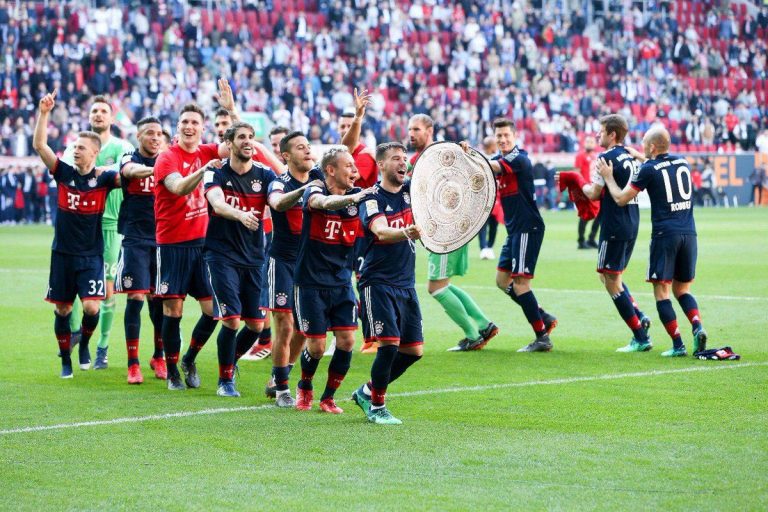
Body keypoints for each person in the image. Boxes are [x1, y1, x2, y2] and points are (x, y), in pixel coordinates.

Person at [597, 125, 709, 357]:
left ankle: (678, 344)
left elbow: (620, 198)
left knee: (662, 292)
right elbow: (658, 163)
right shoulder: (683, 162)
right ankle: (697, 326)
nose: (642, 147)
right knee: (682, 289)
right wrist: (639, 155)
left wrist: (608, 177)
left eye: (645, 144)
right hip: (690, 234)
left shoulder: (648, 169)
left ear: (651, 146)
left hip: (665, 235)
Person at [33, 89, 121, 378]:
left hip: (91, 254)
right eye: (74, 146)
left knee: (93, 307)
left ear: (94, 153)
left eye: (80, 147)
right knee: (61, 309)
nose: (75, 149)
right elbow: (40, 145)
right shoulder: (63, 172)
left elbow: (128, 175)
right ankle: (65, 360)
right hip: (62, 253)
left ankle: (84, 344)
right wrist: (44, 112)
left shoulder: (105, 177)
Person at [293, 147, 375, 412]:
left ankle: (328, 397)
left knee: (347, 341)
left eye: (354, 166)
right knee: (316, 347)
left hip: (341, 282)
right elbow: (323, 204)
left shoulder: (357, 197)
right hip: (310, 283)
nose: (355, 171)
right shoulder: (314, 192)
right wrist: (358, 197)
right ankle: (305, 386)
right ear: (330, 170)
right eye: (349, 166)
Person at [153, 103, 227, 390]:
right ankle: (172, 371)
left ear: (202, 127)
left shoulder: (208, 151)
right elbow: (178, 187)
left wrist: (231, 111)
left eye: (195, 122)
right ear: (178, 126)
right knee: (173, 310)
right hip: (172, 245)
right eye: (184, 121)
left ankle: (189, 358)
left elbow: (237, 144)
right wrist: (204, 170)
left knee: (213, 310)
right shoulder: (167, 157)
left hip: (202, 246)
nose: (189, 126)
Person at [202, 121, 277, 397]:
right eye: (241, 137)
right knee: (231, 320)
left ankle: (228, 363)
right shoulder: (216, 172)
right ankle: (225, 381)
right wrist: (241, 215)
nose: (247, 141)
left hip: (255, 257)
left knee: (256, 325)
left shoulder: (265, 175)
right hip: (221, 255)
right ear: (229, 143)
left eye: (251, 137)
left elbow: (276, 198)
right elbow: (218, 204)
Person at [351, 142, 424, 425]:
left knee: (413, 351)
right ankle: (378, 406)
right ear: (381, 164)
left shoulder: (411, 192)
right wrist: (406, 231)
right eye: (396, 159)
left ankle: (367, 391)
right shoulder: (372, 198)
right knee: (389, 345)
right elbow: (380, 230)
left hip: (406, 283)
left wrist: (463, 158)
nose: (402, 163)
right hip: (378, 282)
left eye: (404, 158)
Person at [62, 95, 134, 370]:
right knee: (72, 289)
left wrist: (95, 170)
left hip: (110, 225)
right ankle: (77, 336)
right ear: (89, 116)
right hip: (79, 226)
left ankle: (102, 347)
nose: (99, 114)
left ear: (112, 118)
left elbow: (125, 170)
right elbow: (67, 170)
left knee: (107, 290)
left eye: (104, 110)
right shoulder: (75, 146)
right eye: (94, 110)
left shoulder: (122, 146)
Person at [477, 119, 557, 352]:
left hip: (527, 227)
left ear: (514, 136)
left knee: (521, 284)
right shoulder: (500, 160)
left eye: (505, 135)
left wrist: (469, 153)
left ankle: (542, 336)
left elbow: (494, 167)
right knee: (503, 281)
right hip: (515, 230)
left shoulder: (518, 158)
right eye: (498, 136)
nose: (502, 139)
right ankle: (543, 317)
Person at [578, 114, 652, 352]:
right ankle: (639, 316)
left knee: (610, 281)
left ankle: (640, 336)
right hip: (632, 222)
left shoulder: (605, 158)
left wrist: (576, 182)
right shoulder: (631, 156)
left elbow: (593, 193)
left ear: (612, 134)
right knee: (611, 276)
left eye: (601, 131)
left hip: (614, 224)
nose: (597, 135)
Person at [262, 131, 324, 406]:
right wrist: (304, 191)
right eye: (301, 147)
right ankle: (282, 389)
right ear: (286, 155)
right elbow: (276, 203)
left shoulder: (319, 178)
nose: (307, 151)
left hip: (308, 265)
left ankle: (280, 373)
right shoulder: (280, 182)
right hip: (282, 262)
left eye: (309, 146)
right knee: (285, 327)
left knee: (302, 327)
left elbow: (343, 153)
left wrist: (357, 119)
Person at [114, 116, 168, 384]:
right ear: (139, 137)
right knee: (135, 297)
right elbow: (129, 172)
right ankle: (132, 363)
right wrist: (158, 169)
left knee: (159, 300)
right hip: (135, 239)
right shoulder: (129, 157)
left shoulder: (168, 159)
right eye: (149, 133)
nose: (155, 137)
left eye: (159, 133)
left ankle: (159, 356)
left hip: (163, 239)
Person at [240, 125, 290, 361]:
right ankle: (266, 340)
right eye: (274, 145)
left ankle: (270, 341)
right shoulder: (267, 172)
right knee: (265, 289)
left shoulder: (290, 174)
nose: (277, 149)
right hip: (266, 235)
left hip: (287, 242)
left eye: (281, 144)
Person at [574, 136, 600, 249]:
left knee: (599, 215)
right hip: (585, 189)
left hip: (595, 189)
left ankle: (591, 238)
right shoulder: (580, 156)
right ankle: (581, 241)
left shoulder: (596, 156)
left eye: (592, 142)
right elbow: (576, 173)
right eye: (588, 141)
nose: (590, 144)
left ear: (595, 144)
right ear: (584, 143)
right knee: (585, 215)